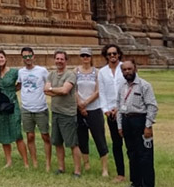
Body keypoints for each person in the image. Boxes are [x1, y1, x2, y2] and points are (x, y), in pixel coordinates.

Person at [117, 59, 158, 187]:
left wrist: (148, 125)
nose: (127, 72)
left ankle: (147, 184)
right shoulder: (122, 86)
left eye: (129, 69)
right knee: (132, 153)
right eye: (124, 70)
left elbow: (152, 106)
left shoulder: (144, 85)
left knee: (145, 155)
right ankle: (136, 182)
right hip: (126, 121)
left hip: (140, 121)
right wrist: (120, 126)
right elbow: (118, 106)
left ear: (135, 69)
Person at [0, 48, 29, 169]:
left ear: (5, 58)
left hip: (12, 104)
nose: (0, 59)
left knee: (17, 133)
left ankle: (26, 162)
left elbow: (21, 83)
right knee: (3, 134)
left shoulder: (14, 72)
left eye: (1, 57)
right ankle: (9, 161)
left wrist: (12, 90)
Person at [45, 50, 81, 177]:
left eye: (62, 59)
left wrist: (52, 90)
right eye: (57, 59)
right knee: (57, 142)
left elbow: (65, 90)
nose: (59, 61)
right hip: (55, 112)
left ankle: (77, 171)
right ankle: (61, 167)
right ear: (54, 60)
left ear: (66, 60)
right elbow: (46, 90)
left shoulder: (70, 75)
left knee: (72, 143)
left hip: (68, 114)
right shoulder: (51, 75)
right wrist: (55, 90)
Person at [75, 47, 110, 177]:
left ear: (91, 57)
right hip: (79, 109)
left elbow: (98, 90)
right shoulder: (75, 71)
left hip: (94, 108)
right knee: (82, 138)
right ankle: (86, 163)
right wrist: (80, 104)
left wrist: (86, 102)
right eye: (83, 56)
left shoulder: (97, 72)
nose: (85, 58)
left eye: (87, 56)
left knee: (99, 138)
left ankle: (104, 168)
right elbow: (74, 89)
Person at [17, 47, 52, 171]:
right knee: (30, 136)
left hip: (40, 107)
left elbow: (49, 84)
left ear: (33, 56)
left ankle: (48, 163)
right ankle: (34, 161)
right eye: (25, 57)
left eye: (29, 56)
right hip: (26, 108)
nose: (27, 59)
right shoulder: (21, 72)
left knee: (45, 136)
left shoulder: (42, 71)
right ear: (22, 58)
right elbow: (18, 85)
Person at [100, 43, 127, 182]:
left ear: (118, 55)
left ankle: (136, 173)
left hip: (126, 111)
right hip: (111, 113)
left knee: (131, 144)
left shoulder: (126, 68)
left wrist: (120, 107)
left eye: (114, 54)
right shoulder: (102, 72)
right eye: (109, 54)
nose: (112, 56)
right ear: (106, 56)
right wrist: (105, 110)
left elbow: (130, 90)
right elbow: (102, 92)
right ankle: (120, 174)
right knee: (117, 145)